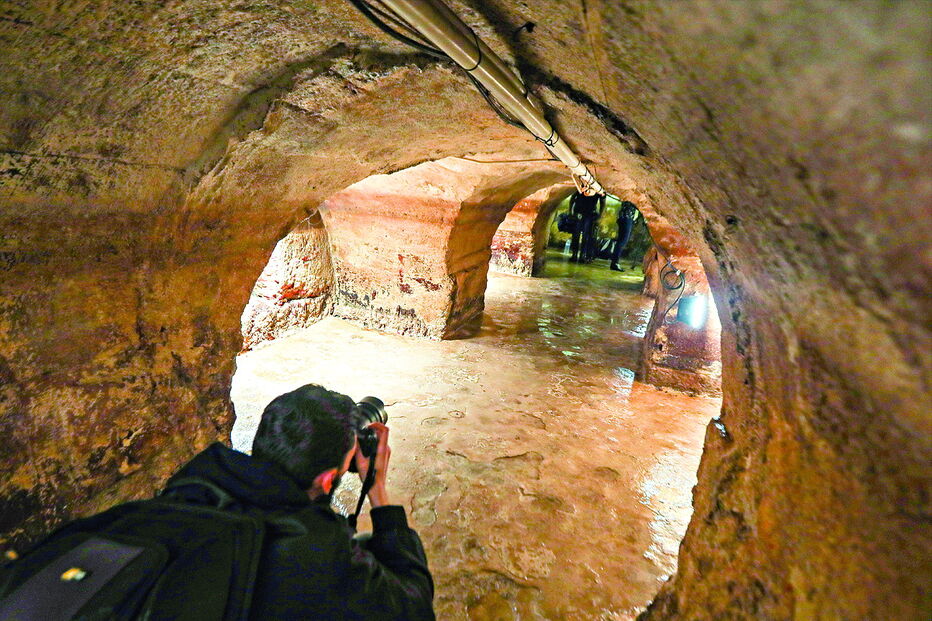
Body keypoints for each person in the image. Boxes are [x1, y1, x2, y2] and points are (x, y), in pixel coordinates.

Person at [0, 384, 435, 620]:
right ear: (327, 479)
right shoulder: (316, 552)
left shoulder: (184, 493)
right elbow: (414, 603)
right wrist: (377, 492)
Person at [569, 191, 605, 263]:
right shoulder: (586, 186)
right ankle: (576, 255)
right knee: (578, 235)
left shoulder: (597, 188)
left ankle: (581, 255)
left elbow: (603, 202)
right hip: (582, 212)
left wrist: (600, 216)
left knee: (584, 235)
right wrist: (570, 211)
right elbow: (573, 197)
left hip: (588, 213)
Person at [610, 200, 639, 271]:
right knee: (622, 241)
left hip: (623, 216)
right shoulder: (633, 194)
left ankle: (614, 263)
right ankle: (615, 263)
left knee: (620, 241)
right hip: (627, 217)